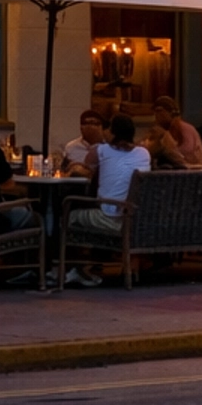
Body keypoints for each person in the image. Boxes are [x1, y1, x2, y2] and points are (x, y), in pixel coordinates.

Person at [64, 113, 151, 281]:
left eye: (108, 128)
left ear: (113, 132)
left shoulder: (101, 150)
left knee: (68, 215)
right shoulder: (143, 153)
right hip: (134, 219)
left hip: (109, 217)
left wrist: (75, 165)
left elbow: (86, 171)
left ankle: (75, 267)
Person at [151, 97, 202, 165]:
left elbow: (186, 152)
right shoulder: (158, 130)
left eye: (159, 111)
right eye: (155, 112)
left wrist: (167, 142)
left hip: (191, 168)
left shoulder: (186, 129)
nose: (157, 116)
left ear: (169, 112)